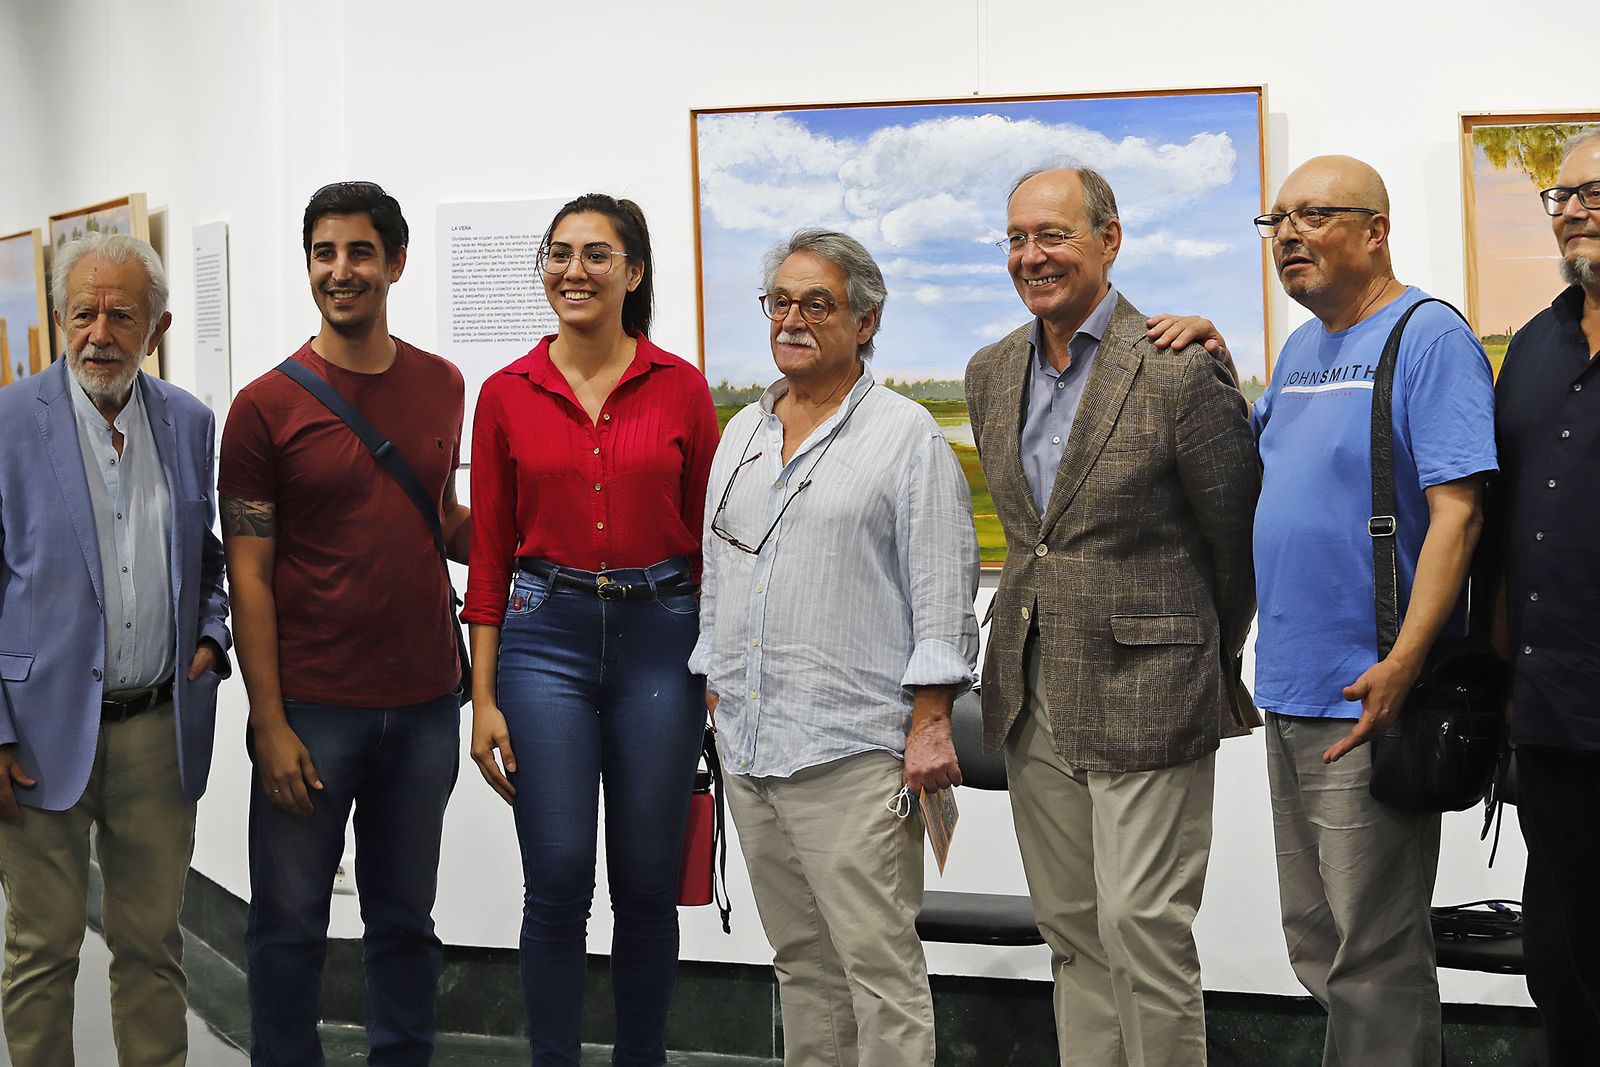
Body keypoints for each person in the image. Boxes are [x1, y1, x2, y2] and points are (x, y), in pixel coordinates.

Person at [1170, 155, 1497, 1064]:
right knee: (1316, 938)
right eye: (1276, 220)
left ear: (1375, 231)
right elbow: (1267, 462)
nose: (1288, 235)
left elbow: (1460, 517)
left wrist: (1405, 663)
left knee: (1374, 952)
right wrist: (1221, 367)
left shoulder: (1428, 338)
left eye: (1312, 215)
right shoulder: (1303, 349)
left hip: (1372, 693)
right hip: (1289, 684)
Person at [964, 166, 1259, 1066]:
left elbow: (1235, 539)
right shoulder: (989, 372)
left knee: (1142, 926)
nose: (1032, 256)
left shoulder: (1177, 367)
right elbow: (1035, 537)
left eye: (1053, 234)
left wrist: (1199, 653)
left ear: (1109, 239)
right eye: (1018, 238)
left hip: (1152, 688)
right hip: (1029, 688)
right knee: (1073, 929)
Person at [692, 229, 978, 1067]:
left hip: (853, 751)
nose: (792, 319)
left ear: (865, 321)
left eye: (817, 304)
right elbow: (716, 575)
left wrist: (931, 723)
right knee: (801, 962)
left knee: (877, 970)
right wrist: (714, 683)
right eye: (780, 301)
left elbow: (942, 593)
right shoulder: (742, 434)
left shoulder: (906, 436)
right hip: (751, 747)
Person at [464, 193, 718, 1067]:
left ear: (633, 272)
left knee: (646, 884)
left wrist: (717, 670)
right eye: (560, 253)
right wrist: (482, 697)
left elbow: (711, 543)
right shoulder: (506, 393)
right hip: (546, 638)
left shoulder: (681, 387)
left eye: (597, 255)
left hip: (662, 637)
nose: (574, 270)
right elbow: (489, 556)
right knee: (559, 875)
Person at [220, 181, 470, 1066]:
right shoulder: (263, 407)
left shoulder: (443, 384)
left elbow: (442, 518)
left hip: (426, 705)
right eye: (324, 253)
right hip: (313, 711)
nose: (341, 270)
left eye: (360, 251)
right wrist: (269, 720)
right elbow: (248, 573)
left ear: (395, 263)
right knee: (289, 926)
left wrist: (543, 541)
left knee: (405, 922)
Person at [0, 231, 230, 1066]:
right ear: (60, 317)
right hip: (36, 734)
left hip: (156, 732)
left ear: (158, 326)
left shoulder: (189, 422)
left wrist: (212, 634)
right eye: (83, 313)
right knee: (41, 950)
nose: (100, 333)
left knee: (153, 947)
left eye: (121, 315)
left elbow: (206, 559)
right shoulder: (8, 423)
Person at [1486, 126, 1600, 1066]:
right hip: (1551, 711)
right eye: (1561, 195)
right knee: (1562, 959)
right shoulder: (1531, 345)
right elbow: (1498, 521)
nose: (1571, 210)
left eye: (1593, 192)